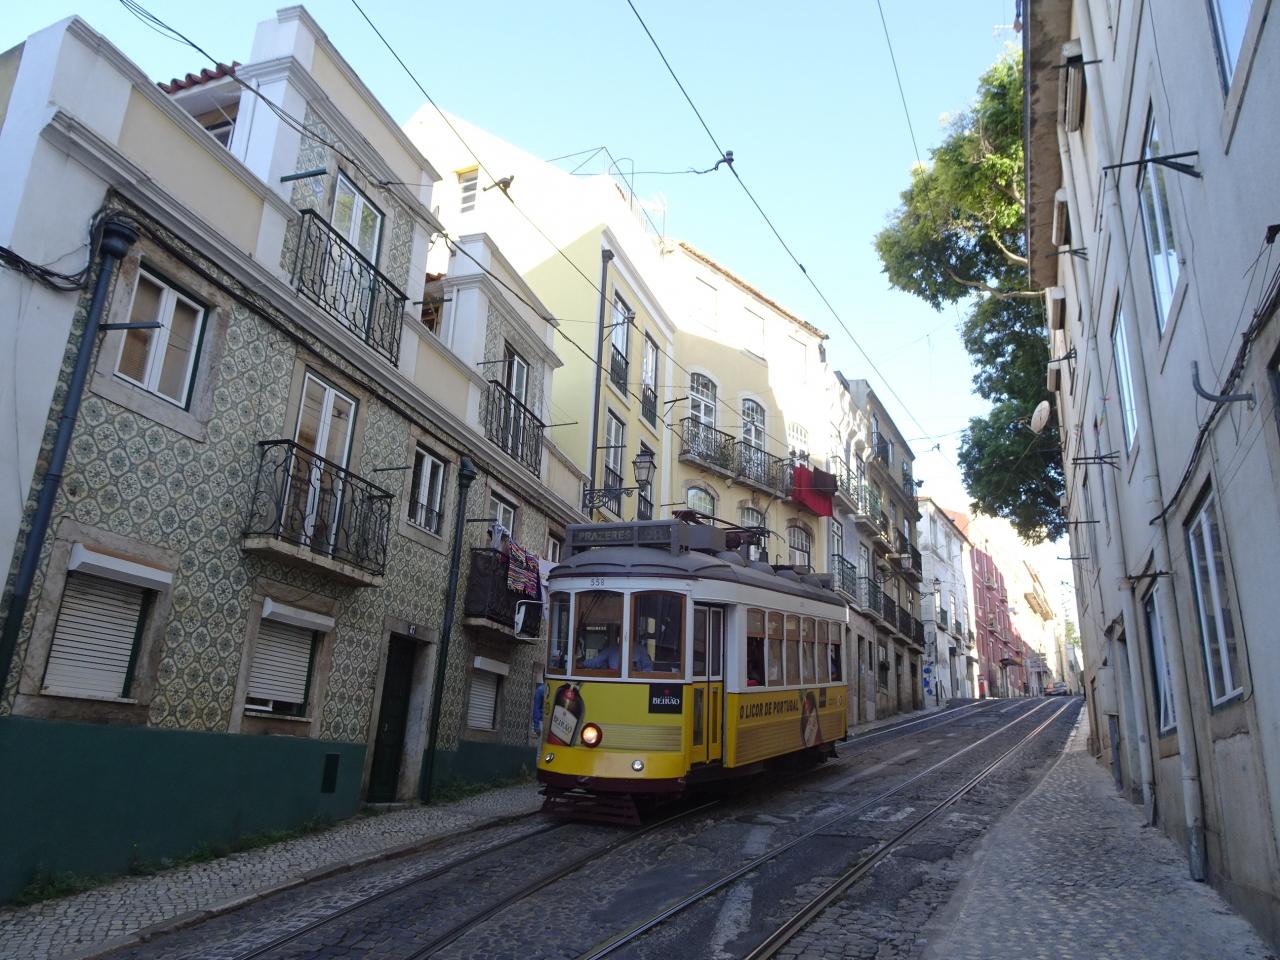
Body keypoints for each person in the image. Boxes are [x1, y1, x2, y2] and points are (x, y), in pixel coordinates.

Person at [584, 638, 653, 671]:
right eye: (619, 636)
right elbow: (596, 661)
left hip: (637, 685)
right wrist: (583, 663)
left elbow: (648, 667)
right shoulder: (611, 649)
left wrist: (638, 677)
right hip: (612, 683)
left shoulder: (640, 649)